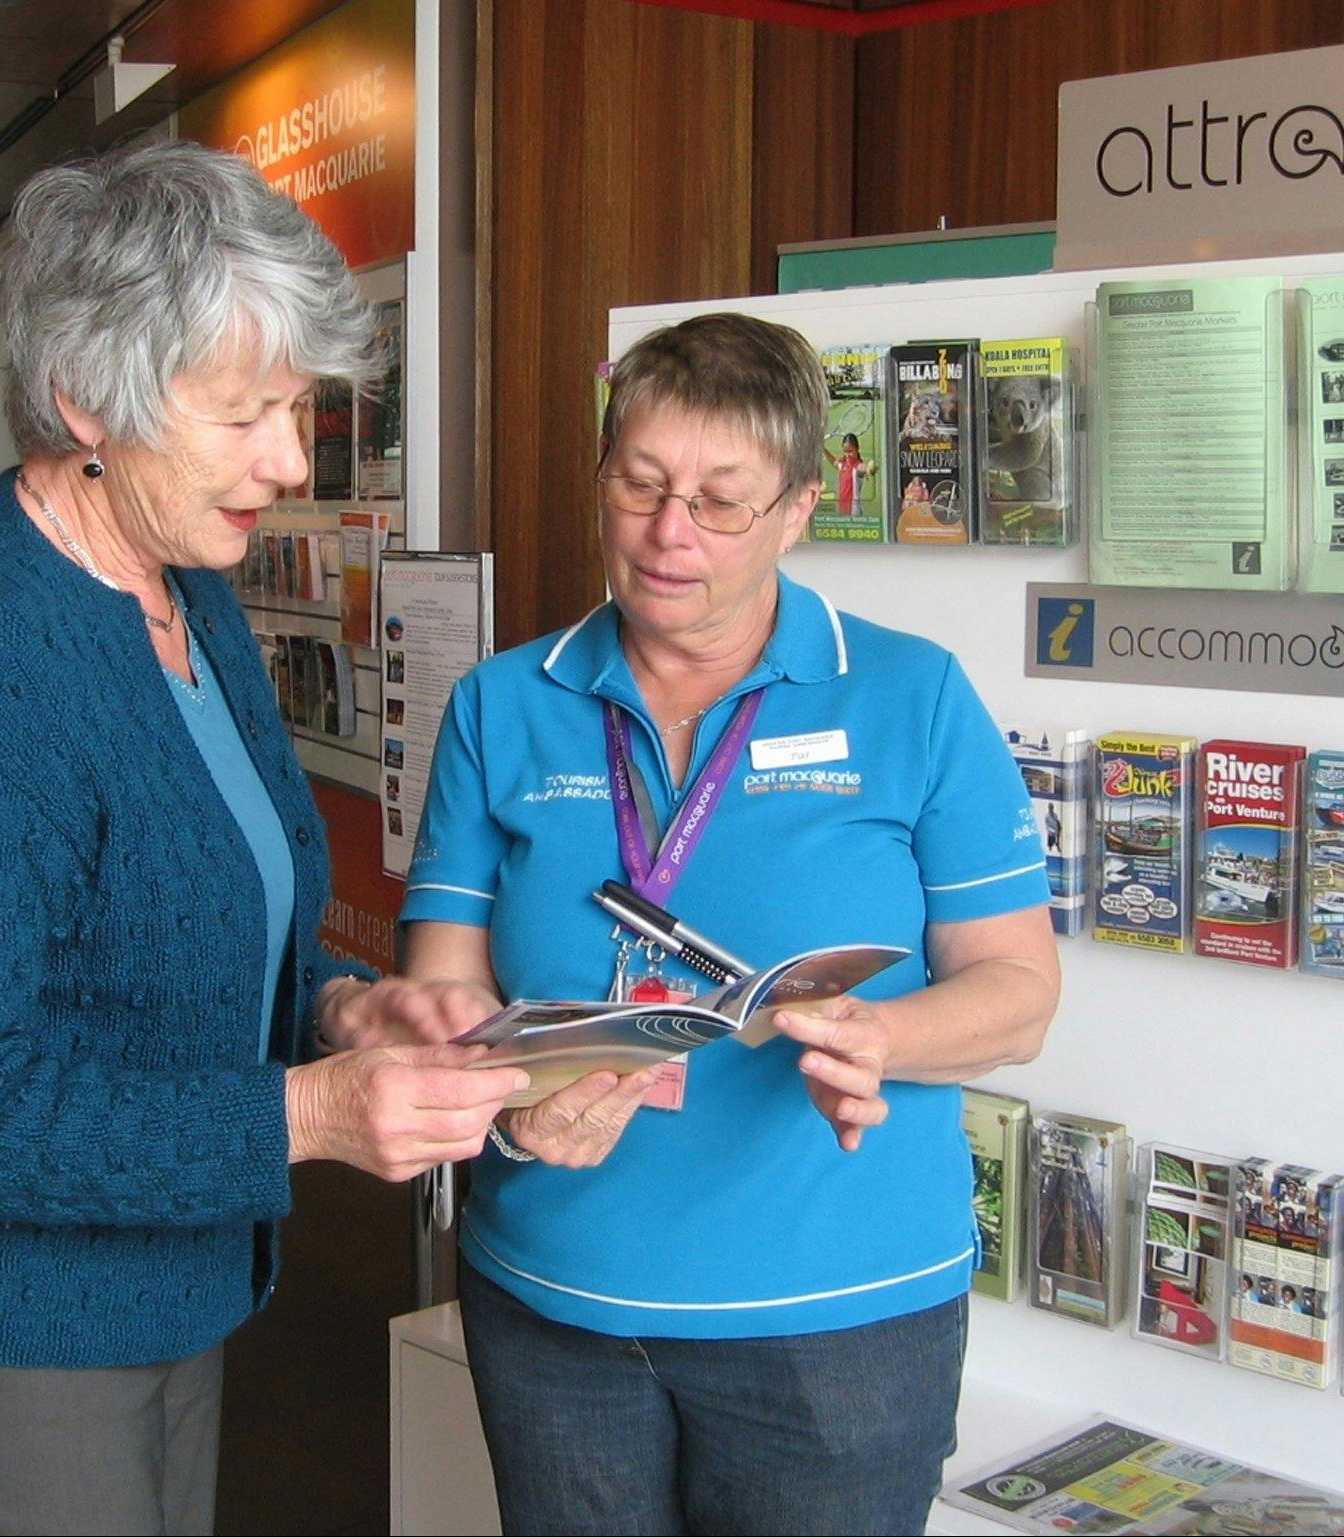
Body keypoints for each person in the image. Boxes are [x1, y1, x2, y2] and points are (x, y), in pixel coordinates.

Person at [0, 140, 526, 1537]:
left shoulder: (186, 588)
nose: (290, 458)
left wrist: (341, 1007)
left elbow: (211, 919)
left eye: (298, 405)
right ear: (86, 402)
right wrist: (307, 1113)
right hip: (0, 1321)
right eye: (245, 410)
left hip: (157, 1275)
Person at [400, 312, 1061, 1535]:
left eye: (719, 500)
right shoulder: (503, 704)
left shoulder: (912, 695)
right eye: (639, 485)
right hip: (557, 1308)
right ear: (599, 478)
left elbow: (1017, 991)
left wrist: (881, 1039)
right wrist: (507, 1100)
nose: (667, 534)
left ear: (800, 507)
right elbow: (437, 994)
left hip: (838, 1323)